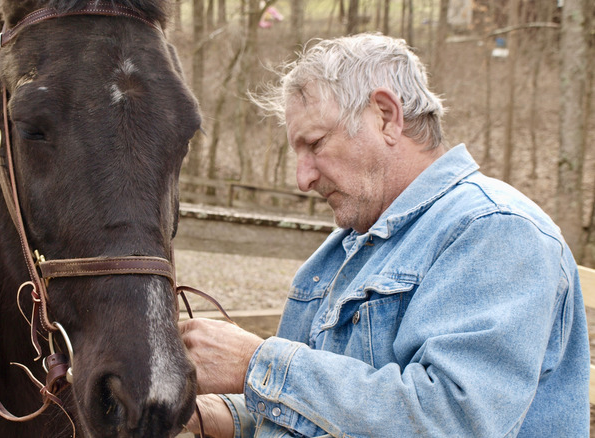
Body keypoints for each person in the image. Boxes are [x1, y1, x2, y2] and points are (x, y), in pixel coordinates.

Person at [179, 33, 590, 437]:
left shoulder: (495, 229)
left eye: (315, 144)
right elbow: (330, 408)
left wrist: (256, 364)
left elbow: (453, 421)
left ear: (386, 116)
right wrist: (219, 414)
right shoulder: (348, 245)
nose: (302, 178)